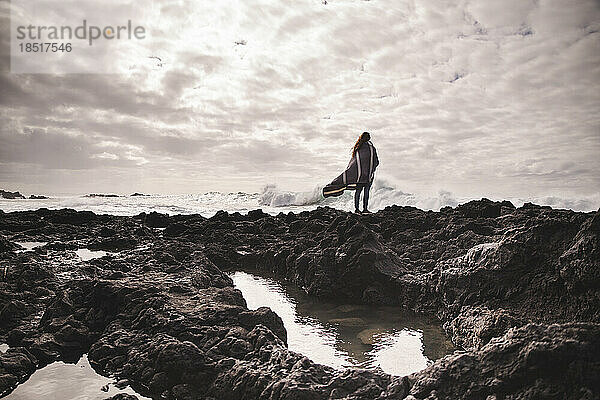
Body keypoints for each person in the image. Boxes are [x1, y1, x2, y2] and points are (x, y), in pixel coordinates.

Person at [322, 131, 379, 214]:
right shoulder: (371, 148)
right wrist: (371, 169)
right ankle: (365, 209)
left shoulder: (358, 147)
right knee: (366, 192)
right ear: (368, 138)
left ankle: (357, 209)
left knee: (358, 192)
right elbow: (376, 161)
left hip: (359, 176)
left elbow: (355, 162)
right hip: (368, 175)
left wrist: (356, 171)